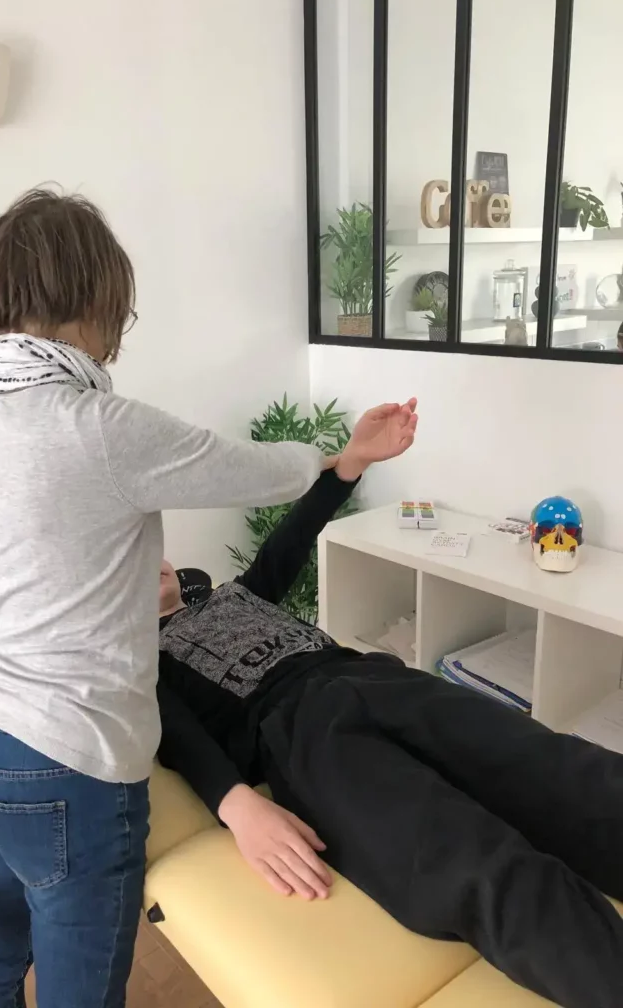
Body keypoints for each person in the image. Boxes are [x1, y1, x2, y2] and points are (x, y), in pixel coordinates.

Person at [0, 187, 395, 1008]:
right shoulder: (96, 427)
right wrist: (336, 456)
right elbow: (252, 469)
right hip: (66, 765)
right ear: (99, 300)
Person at [156, 419, 623, 1008]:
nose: (152, 559)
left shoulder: (236, 593)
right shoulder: (141, 660)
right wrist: (236, 803)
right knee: (473, 864)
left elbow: (290, 540)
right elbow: (173, 732)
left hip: (375, 679)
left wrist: (351, 464)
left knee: (561, 770)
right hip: (302, 735)